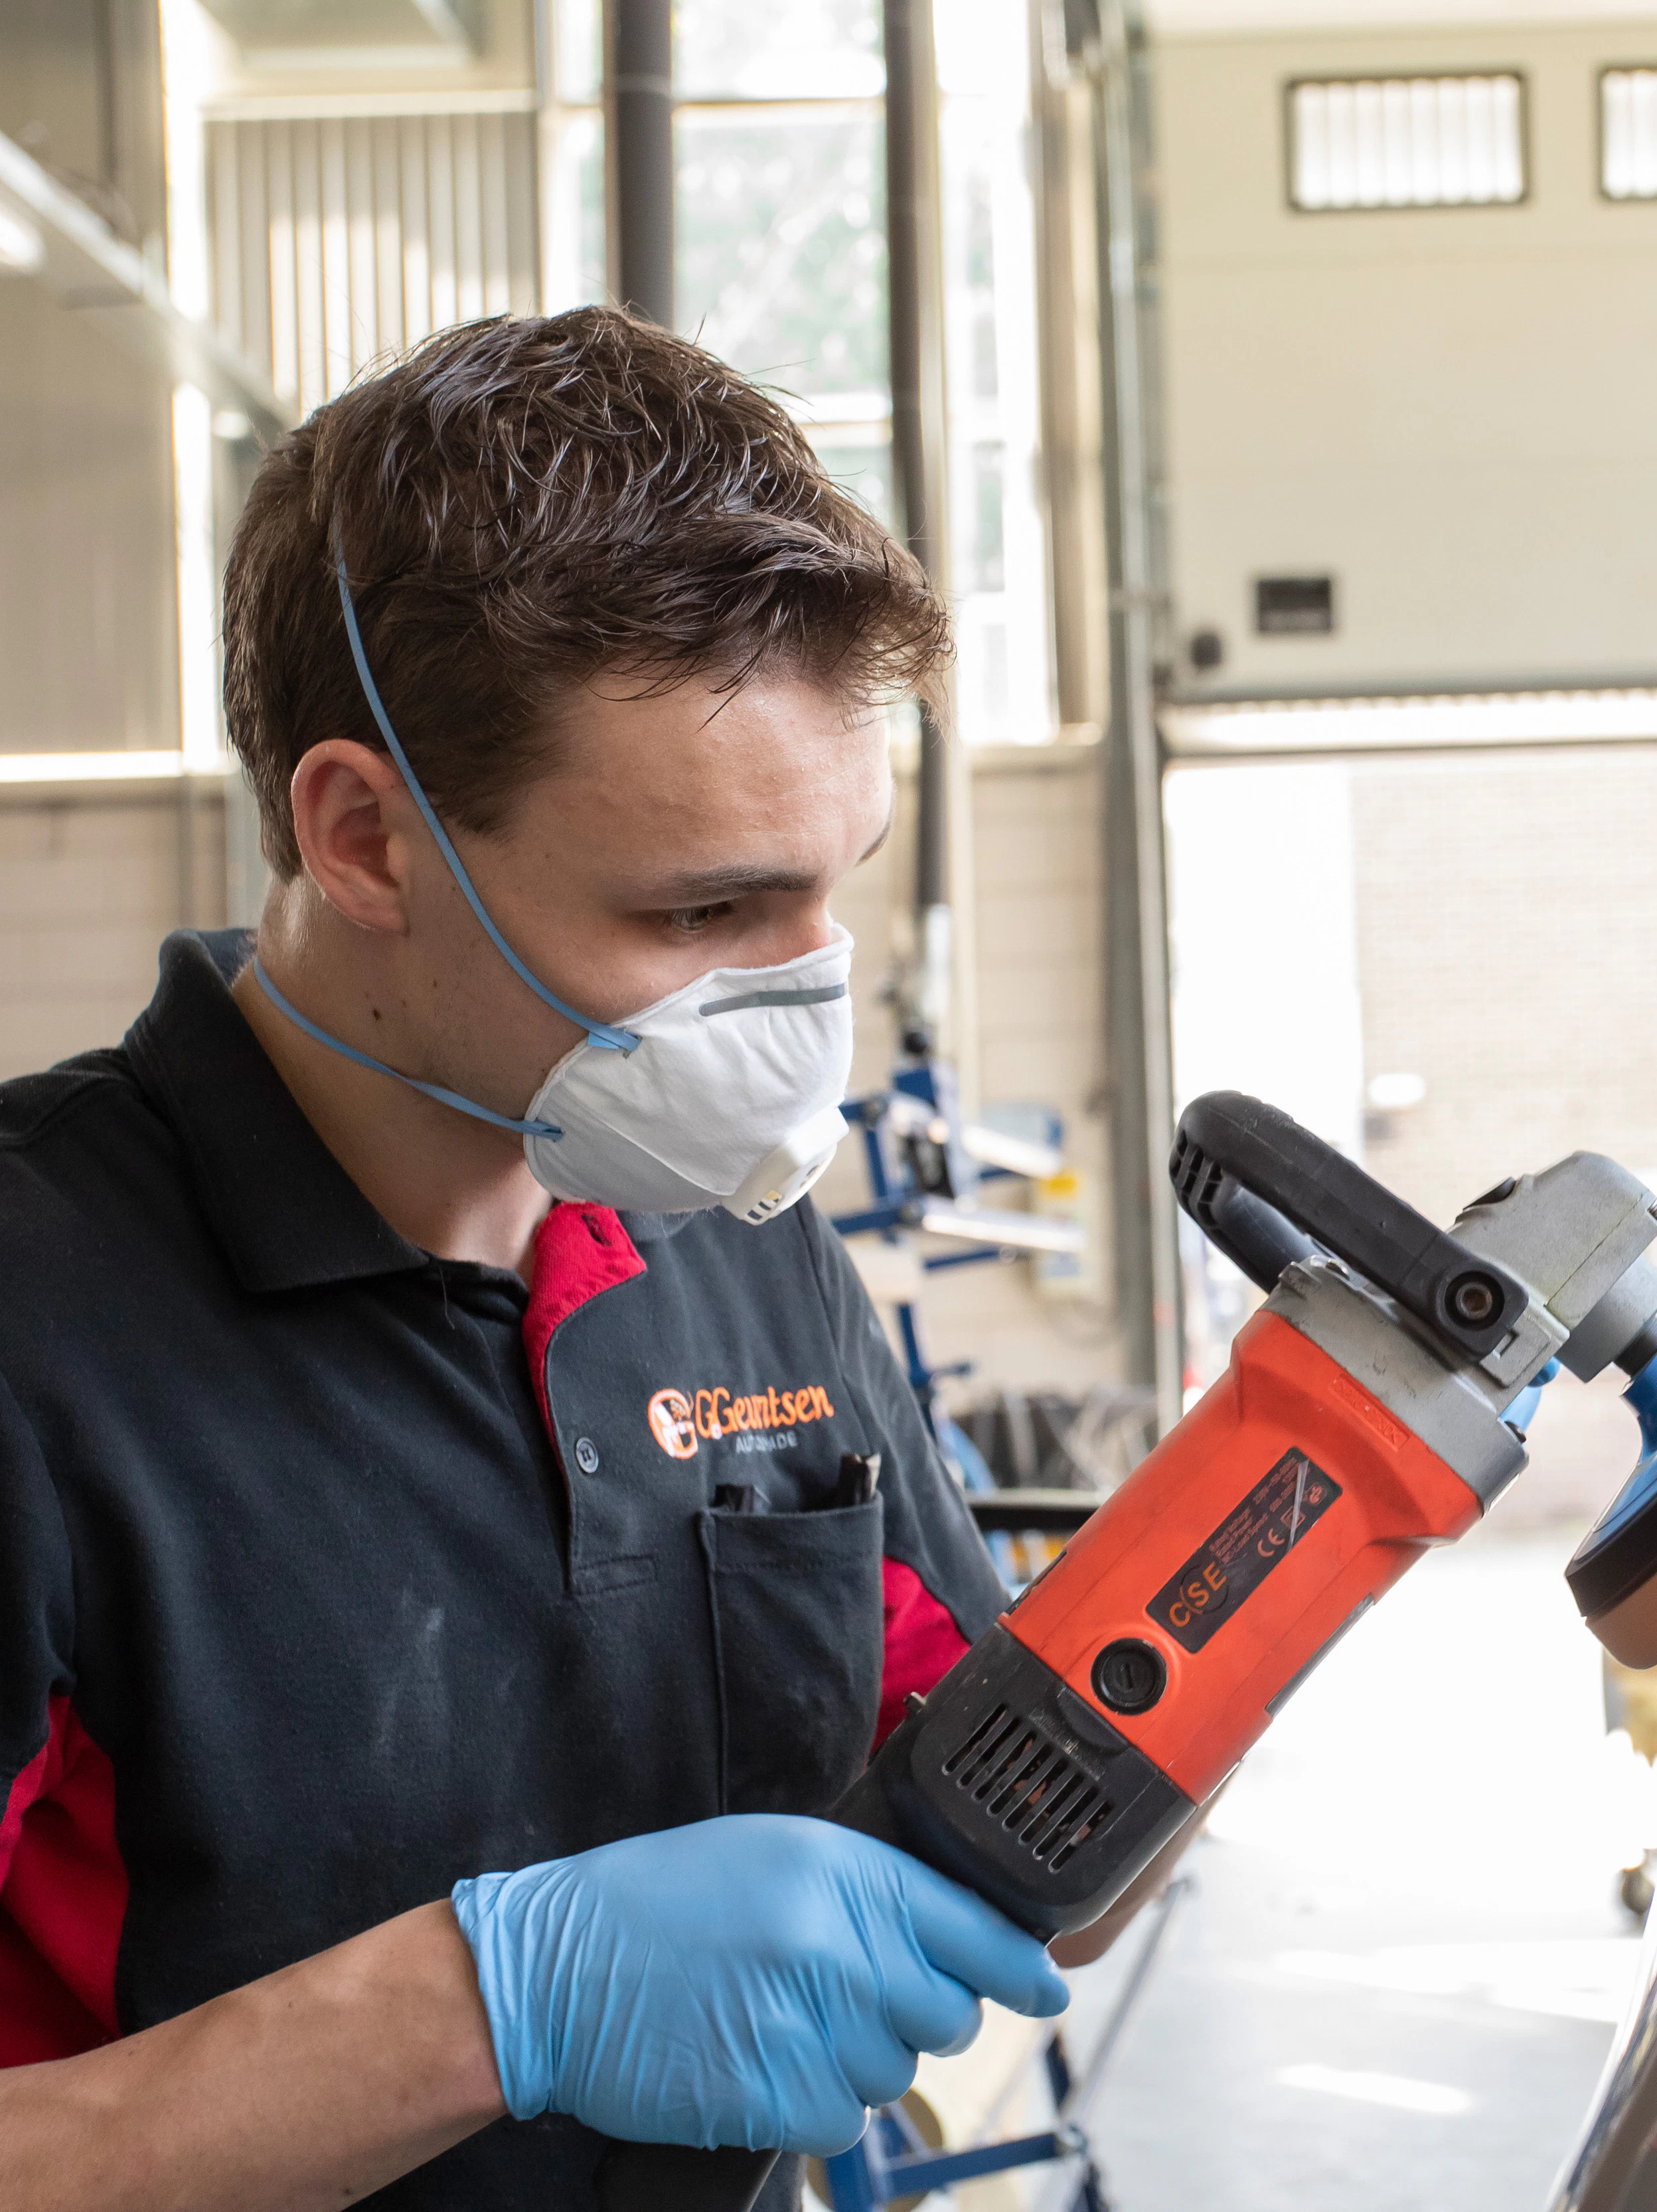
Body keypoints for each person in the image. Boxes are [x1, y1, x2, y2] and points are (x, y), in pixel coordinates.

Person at [0, 308, 1070, 2211]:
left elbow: (1004, 1812)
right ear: (363, 836)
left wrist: (1311, 1494)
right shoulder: (39, 1319)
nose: (804, 1001)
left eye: (834, 886)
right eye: (707, 908)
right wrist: (488, 2009)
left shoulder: (733, 1237)